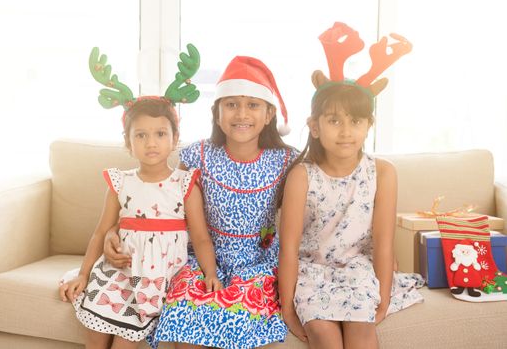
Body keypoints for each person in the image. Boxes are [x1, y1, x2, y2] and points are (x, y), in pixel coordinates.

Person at [104, 55, 299, 348]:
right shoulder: (197, 156)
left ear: (269, 114)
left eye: (253, 105)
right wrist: (111, 232)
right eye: (231, 104)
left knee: (242, 325)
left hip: (256, 263)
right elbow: (159, 204)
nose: (241, 114)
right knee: (186, 329)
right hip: (199, 258)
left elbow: (313, 214)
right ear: (217, 113)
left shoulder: (288, 161)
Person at [59, 45, 221, 349]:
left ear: (175, 139)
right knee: (95, 336)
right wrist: (83, 273)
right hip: (119, 272)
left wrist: (210, 273)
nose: (151, 143)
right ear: (128, 142)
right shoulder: (120, 182)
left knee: (124, 342)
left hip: (157, 276)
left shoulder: (185, 184)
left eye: (160, 134)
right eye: (141, 135)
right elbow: (101, 231)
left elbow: (200, 238)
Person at [277, 22, 424, 349]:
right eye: (334, 120)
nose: (345, 131)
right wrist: (287, 308)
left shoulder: (383, 173)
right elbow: (288, 248)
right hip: (311, 272)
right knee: (324, 336)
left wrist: (383, 297)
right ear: (314, 127)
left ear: (368, 126)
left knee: (361, 335)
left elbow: (384, 244)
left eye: (355, 121)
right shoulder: (302, 175)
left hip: (358, 271)